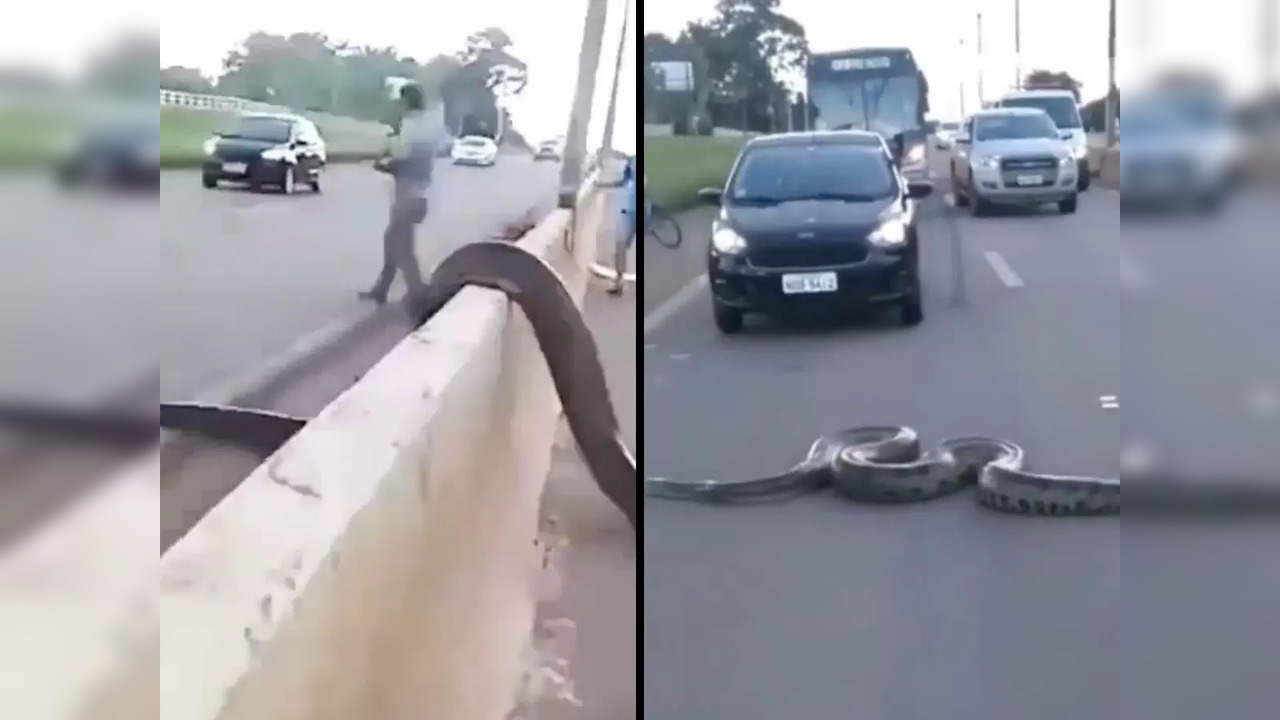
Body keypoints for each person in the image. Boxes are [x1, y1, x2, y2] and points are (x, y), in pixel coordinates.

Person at [359, 83, 441, 306]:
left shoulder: (413, 124)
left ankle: (418, 292)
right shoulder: (426, 124)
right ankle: (382, 289)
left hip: (409, 193)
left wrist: (385, 165)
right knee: (396, 241)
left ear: (406, 101)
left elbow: (405, 157)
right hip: (418, 192)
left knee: (400, 245)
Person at [606, 153, 640, 296]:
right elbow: (623, 182)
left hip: (639, 211)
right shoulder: (630, 165)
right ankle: (618, 282)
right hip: (629, 212)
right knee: (620, 246)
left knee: (622, 247)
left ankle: (619, 281)